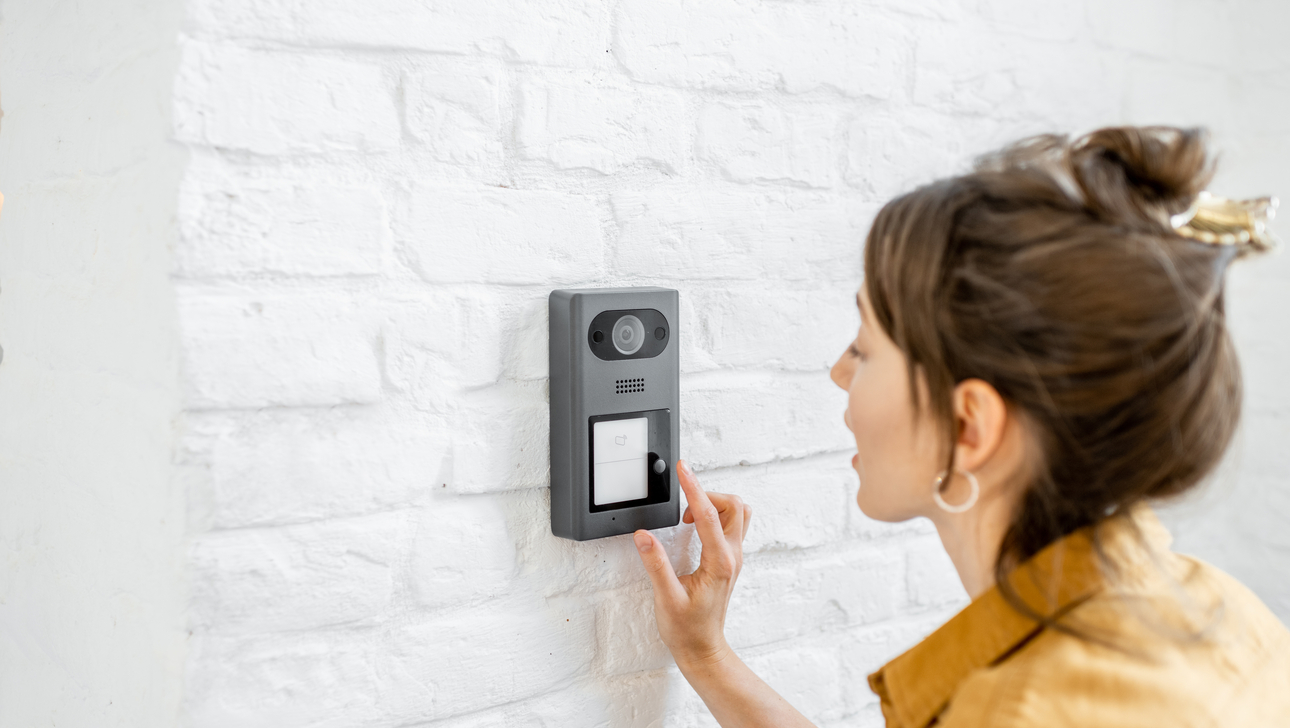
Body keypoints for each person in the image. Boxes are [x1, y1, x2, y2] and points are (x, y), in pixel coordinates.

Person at [631, 126, 1290, 727]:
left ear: (968, 424)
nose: (839, 371)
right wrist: (707, 655)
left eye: (864, 347)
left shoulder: (1021, 711)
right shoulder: (1221, 609)